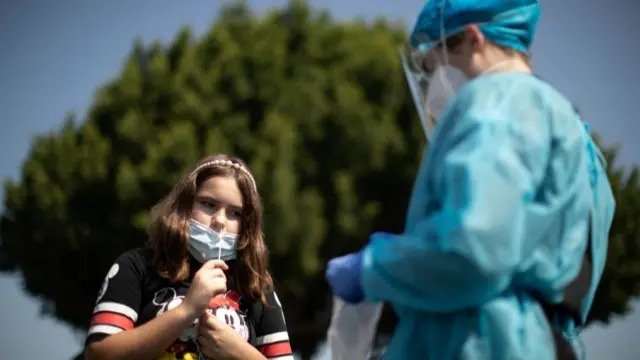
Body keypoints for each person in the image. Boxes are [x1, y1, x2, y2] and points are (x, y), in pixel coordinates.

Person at [325, 1, 616, 359]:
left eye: (431, 65)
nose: (431, 84)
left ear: (474, 39)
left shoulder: (494, 101)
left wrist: (373, 267)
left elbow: (474, 250)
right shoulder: (567, 127)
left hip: (477, 342)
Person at [84, 154, 293, 360]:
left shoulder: (257, 287)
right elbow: (98, 354)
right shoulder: (137, 266)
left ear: (247, 224)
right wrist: (187, 310)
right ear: (185, 205)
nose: (220, 220)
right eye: (208, 204)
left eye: (235, 213)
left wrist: (240, 353)